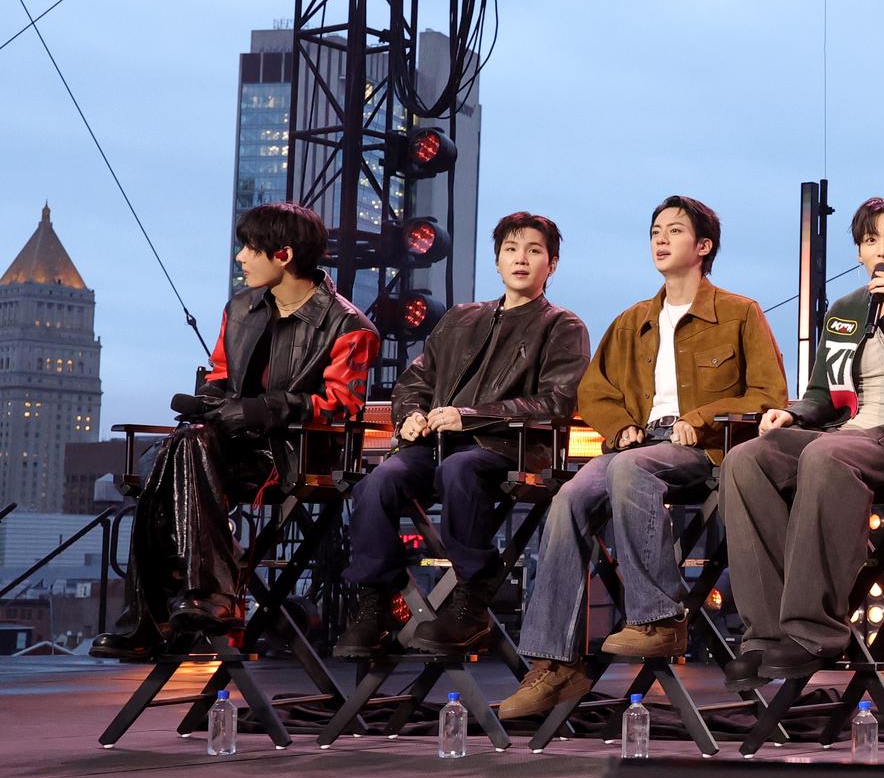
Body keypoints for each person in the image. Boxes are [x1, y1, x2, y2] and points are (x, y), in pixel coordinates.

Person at [496, 196, 788, 720]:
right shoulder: (633, 321)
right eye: (655, 231)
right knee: (569, 497)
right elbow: (593, 391)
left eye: (674, 231)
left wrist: (701, 418)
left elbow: (768, 394)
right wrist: (619, 426)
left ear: (703, 246)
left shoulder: (740, 312)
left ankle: (659, 617)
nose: (660, 239)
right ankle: (553, 664)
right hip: (639, 443)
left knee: (632, 469)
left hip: (703, 450)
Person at [91, 204, 375, 661]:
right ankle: (207, 597)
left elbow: (341, 406)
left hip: (293, 453)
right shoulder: (240, 308)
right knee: (186, 445)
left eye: (249, 249)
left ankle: (152, 618)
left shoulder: (349, 326)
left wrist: (262, 409)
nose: (240, 257)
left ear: (283, 255)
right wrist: (210, 401)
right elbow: (221, 375)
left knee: (176, 457)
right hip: (224, 446)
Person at [720, 196, 884, 689]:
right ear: (859, 252)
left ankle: (814, 630)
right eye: (871, 240)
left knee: (826, 453)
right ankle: (766, 635)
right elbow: (822, 394)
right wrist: (792, 413)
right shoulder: (845, 309)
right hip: (849, 432)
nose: (883, 250)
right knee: (746, 459)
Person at [336, 212, 590, 658]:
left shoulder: (562, 326)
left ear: (551, 264)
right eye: (511, 249)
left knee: (460, 469)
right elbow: (415, 381)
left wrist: (468, 417)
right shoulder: (461, 317)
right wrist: (410, 415)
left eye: (534, 251)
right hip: (436, 444)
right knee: (378, 480)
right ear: (497, 261)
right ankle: (375, 603)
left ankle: (471, 600)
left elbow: (556, 403)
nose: (521, 259)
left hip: (510, 447)